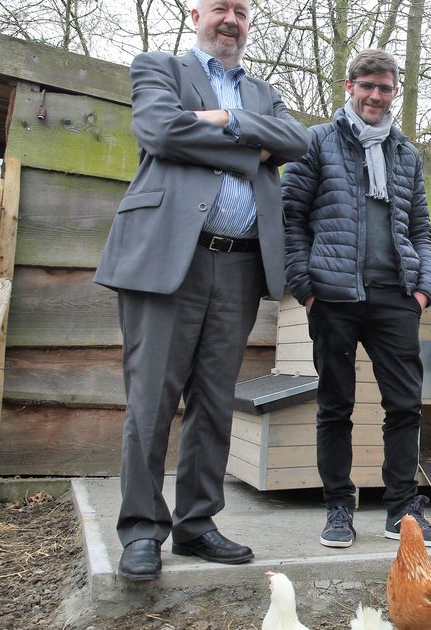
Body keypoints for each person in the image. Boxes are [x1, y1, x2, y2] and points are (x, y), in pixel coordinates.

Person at [94, 0, 310, 581]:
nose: (231, 20)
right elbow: (162, 131)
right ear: (195, 14)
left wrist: (222, 120)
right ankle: (142, 529)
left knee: (214, 402)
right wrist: (251, 152)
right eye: (221, 8)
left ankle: (196, 524)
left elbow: (295, 141)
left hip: (239, 266)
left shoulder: (263, 92)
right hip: (169, 258)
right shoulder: (158, 68)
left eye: (242, 10)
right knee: (152, 401)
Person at [283, 49, 431, 549]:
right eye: (366, 85)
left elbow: (420, 227)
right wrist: (305, 289)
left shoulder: (406, 154)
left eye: (385, 87)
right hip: (332, 296)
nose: (375, 95)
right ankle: (338, 507)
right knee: (335, 406)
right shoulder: (315, 142)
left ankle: (402, 511)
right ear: (348, 87)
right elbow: (291, 217)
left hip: (396, 297)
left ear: (395, 91)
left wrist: (423, 288)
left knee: (405, 405)